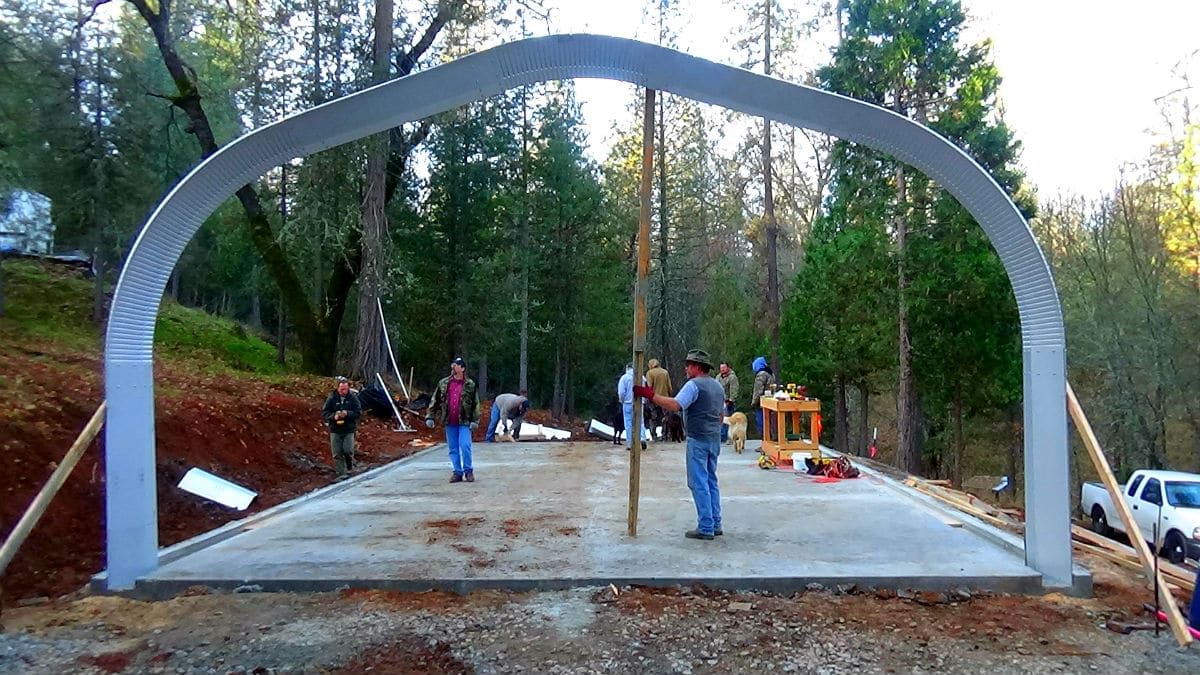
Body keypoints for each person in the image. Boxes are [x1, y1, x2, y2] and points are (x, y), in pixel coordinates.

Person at [633, 348, 725, 540]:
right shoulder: (718, 386)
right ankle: (715, 523)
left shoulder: (694, 386)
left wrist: (650, 396)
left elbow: (676, 405)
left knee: (698, 482)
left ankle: (706, 527)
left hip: (698, 439)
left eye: (689, 365)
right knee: (711, 480)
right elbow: (721, 415)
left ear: (697, 367)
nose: (686, 368)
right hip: (714, 439)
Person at [426, 357, 481, 483]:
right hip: (449, 421)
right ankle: (457, 472)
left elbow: (475, 403)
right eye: (453, 365)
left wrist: (475, 420)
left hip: (465, 421)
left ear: (462, 368)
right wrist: (430, 416)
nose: (453, 367)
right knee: (453, 448)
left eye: (457, 365)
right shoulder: (444, 383)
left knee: (465, 445)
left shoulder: (470, 385)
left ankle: (468, 470)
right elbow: (435, 400)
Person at [321, 376, 362, 480]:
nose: (344, 391)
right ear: (337, 388)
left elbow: (358, 412)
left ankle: (349, 467)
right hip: (335, 429)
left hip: (348, 429)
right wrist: (334, 416)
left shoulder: (353, 398)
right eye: (342, 389)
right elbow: (325, 412)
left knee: (348, 450)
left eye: (346, 389)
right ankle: (341, 473)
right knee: (337, 453)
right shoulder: (332, 398)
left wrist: (347, 413)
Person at [616, 363, 646, 450]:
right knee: (640, 422)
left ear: (627, 368)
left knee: (628, 423)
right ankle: (642, 438)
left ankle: (630, 443)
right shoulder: (642, 378)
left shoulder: (624, 378)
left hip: (627, 403)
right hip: (639, 403)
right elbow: (645, 390)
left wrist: (622, 400)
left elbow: (621, 392)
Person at [645, 358, 672, 442]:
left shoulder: (650, 373)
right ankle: (665, 435)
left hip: (654, 399)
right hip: (665, 398)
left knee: (653, 418)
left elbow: (649, 387)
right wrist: (670, 396)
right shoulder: (665, 372)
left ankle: (654, 435)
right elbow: (669, 387)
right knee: (665, 417)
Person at [751, 356, 776, 437]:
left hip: (761, 403)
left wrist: (754, 402)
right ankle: (770, 439)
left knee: (762, 422)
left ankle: (764, 442)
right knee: (769, 422)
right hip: (770, 401)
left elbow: (758, 390)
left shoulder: (761, 375)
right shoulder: (770, 373)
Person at [716, 362, 739, 443]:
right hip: (720, 402)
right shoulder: (718, 377)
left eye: (724, 367)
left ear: (728, 368)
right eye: (721, 368)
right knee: (721, 420)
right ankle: (722, 437)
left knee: (730, 420)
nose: (722, 369)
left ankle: (731, 437)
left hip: (729, 402)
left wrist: (731, 400)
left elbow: (734, 389)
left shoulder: (732, 377)